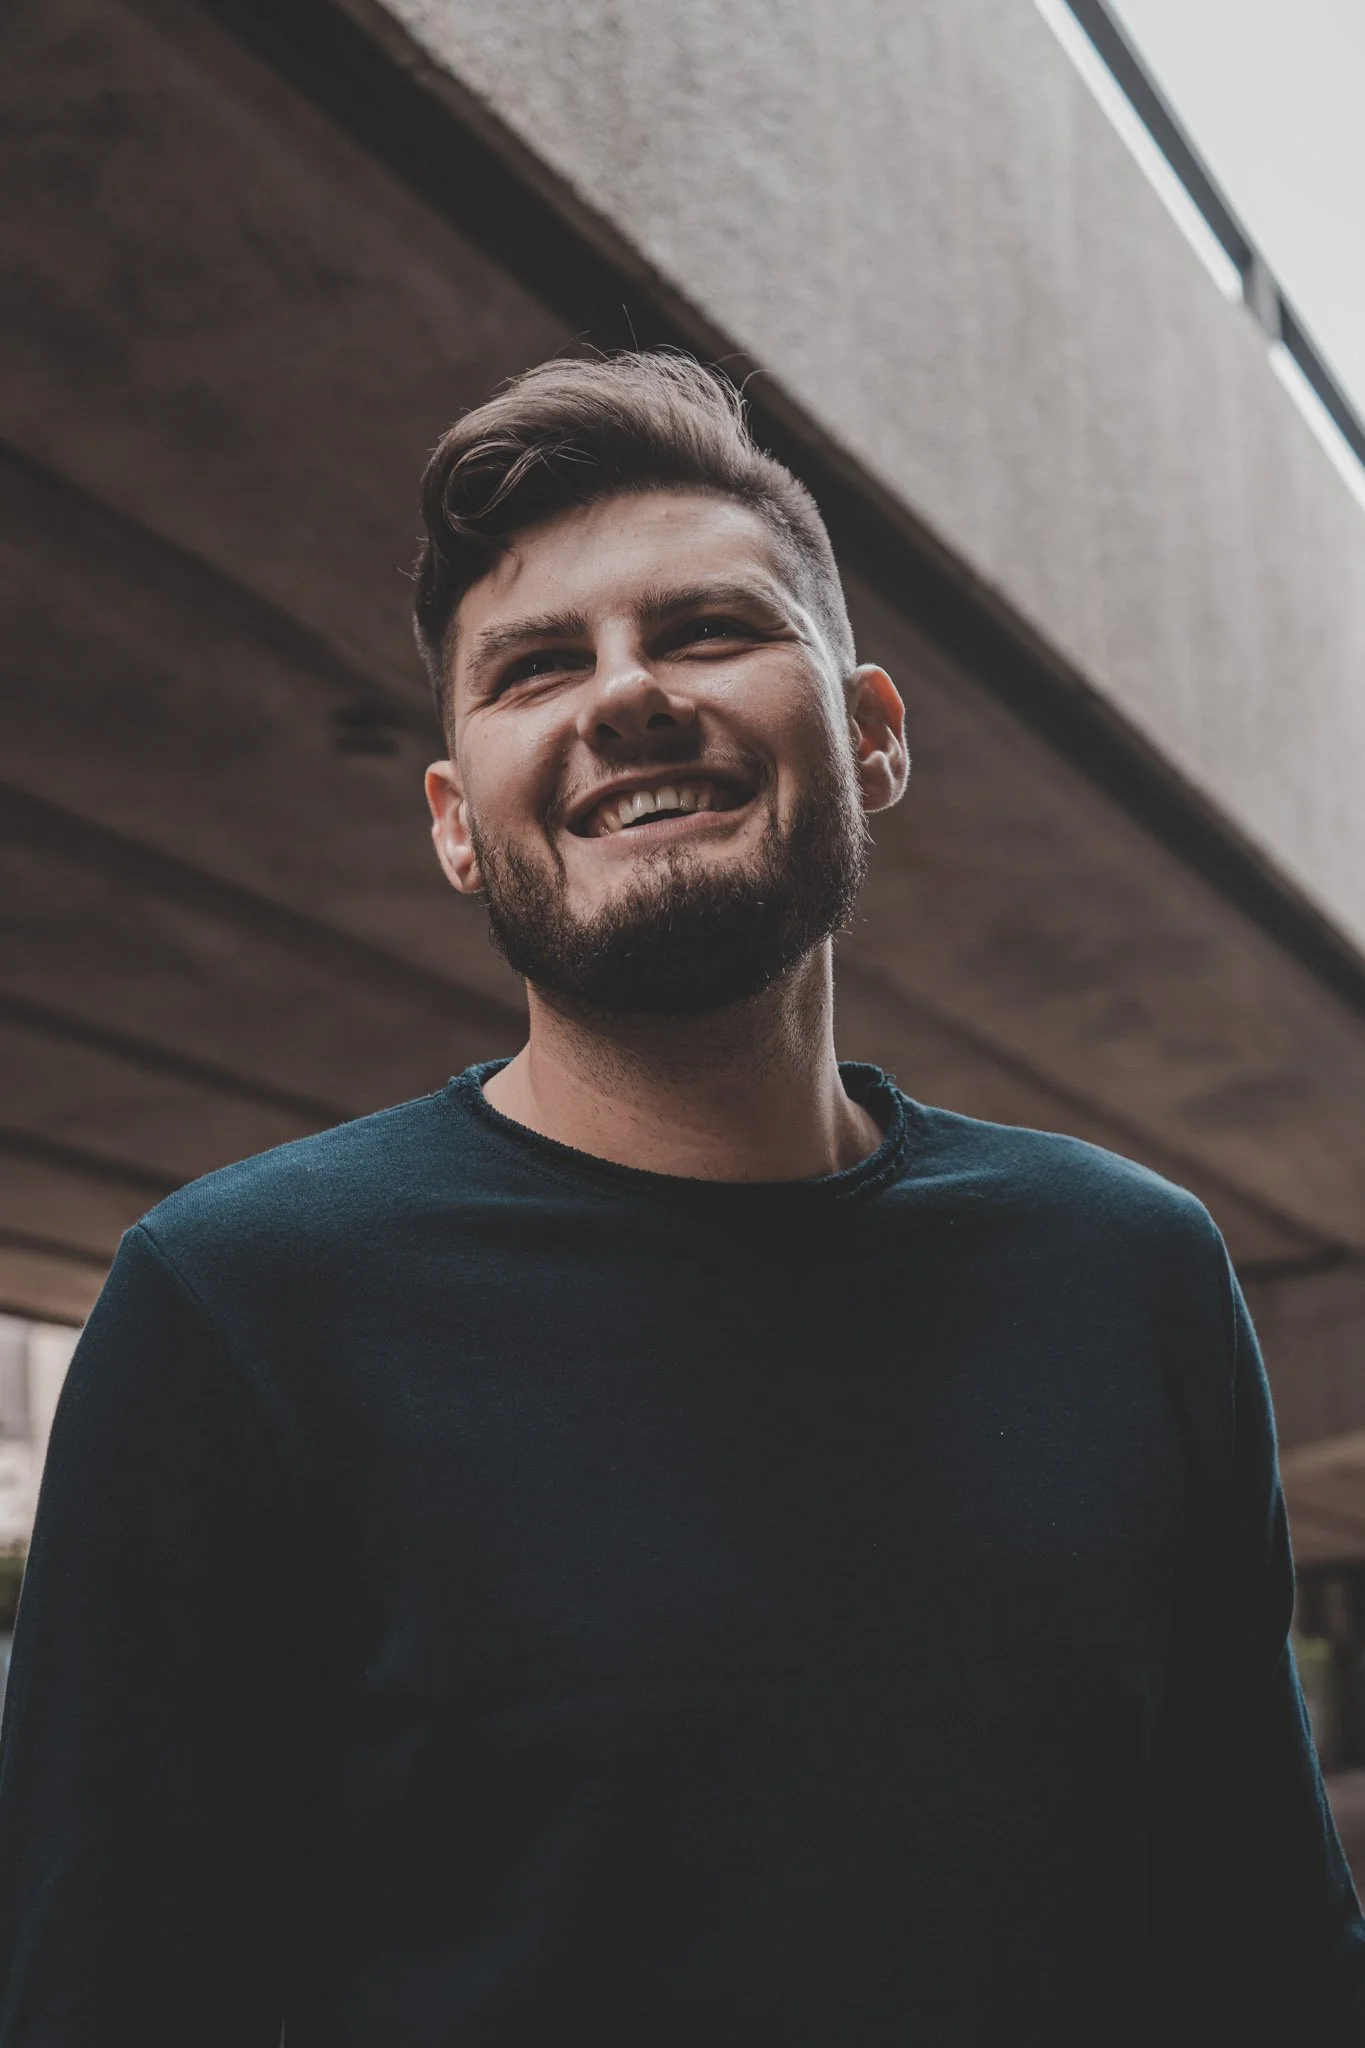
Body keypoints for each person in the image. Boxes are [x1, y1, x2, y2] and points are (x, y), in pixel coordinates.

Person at [0, 352, 1360, 2047]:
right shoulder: (237, 1311)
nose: (622, 696)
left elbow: (1268, 1955)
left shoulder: (1130, 1273)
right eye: (534, 668)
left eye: (708, 630)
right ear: (455, 822)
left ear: (871, 738)